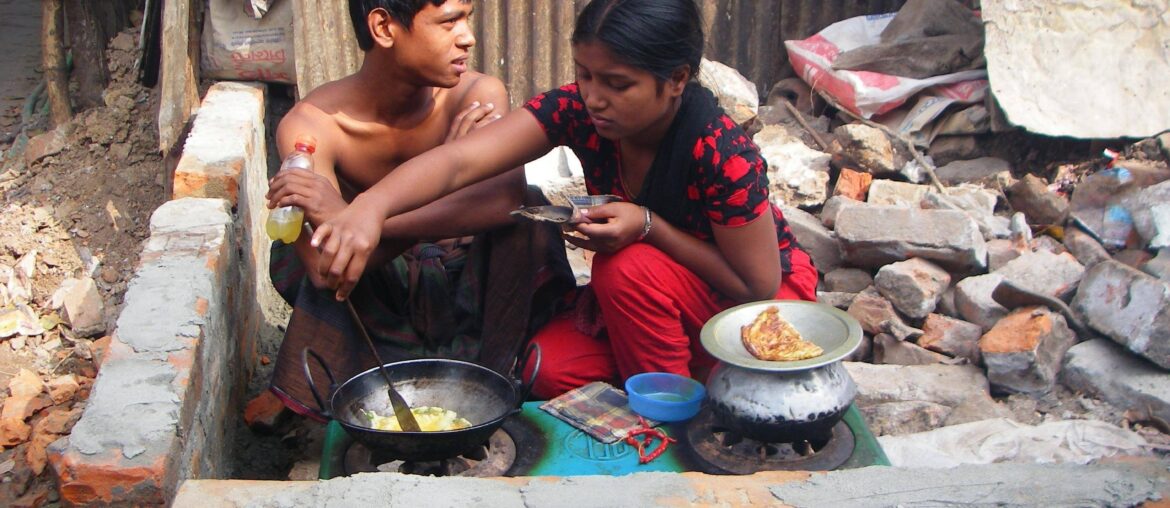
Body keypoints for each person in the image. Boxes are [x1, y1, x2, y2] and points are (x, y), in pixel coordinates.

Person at [270, 0, 817, 400]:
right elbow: (463, 164)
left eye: (618, 84)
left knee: (623, 269)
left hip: (750, 304)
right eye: (584, 75)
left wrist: (649, 226)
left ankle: (672, 405)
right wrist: (367, 209)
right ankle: (695, 374)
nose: (594, 97)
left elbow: (757, 283)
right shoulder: (577, 111)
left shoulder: (722, 151)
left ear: (675, 80)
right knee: (541, 372)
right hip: (659, 302)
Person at [264, 0, 574, 418]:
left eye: (467, 19)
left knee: (530, 212)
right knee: (307, 243)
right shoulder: (313, 127)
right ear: (384, 28)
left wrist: (361, 215)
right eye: (449, 22)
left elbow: (504, 202)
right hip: (377, 284)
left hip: (467, 279)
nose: (467, 37)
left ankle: (507, 367)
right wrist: (430, 206)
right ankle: (365, 380)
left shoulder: (478, 95)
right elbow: (324, 266)